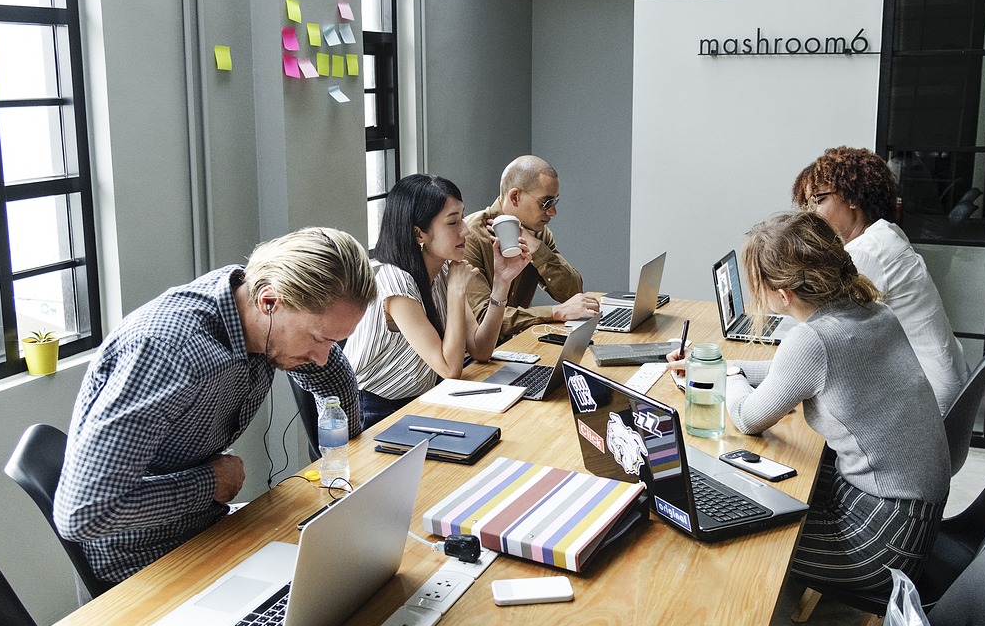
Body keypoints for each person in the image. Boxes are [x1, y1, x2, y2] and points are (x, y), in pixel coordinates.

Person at [55, 227, 377, 591]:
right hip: (143, 562)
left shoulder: (254, 305)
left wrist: (344, 452)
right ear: (269, 302)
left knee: (352, 581)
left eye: (334, 340)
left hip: (209, 526)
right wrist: (210, 482)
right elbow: (83, 515)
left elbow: (331, 375)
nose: (321, 358)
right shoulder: (167, 354)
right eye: (319, 339)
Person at [673, 212, 950, 595]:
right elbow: (791, 373)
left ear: (783, 294)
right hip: (916, 516)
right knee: (749, 487)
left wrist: (728, 376)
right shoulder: (874, 313)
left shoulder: (812, 342)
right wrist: (723, 366)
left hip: (884, 542)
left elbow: (747, 417)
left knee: (721, 532)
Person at [344, 174, 532, 429]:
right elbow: (449, 369)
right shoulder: (395, 283)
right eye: (453, 222)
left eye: (462, 217)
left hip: (422, 398)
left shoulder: (445, 270)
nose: (465, 229)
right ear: (418, 233)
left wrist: (502, 282)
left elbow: (480, 349)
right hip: (375, 410)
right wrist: (455, 291)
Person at [793, 146, 968, 414]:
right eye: (808, 204)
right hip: (942, 384)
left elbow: (823, 333)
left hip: (929, 401)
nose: (812, 214)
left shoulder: (868, 251)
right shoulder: (886, 233)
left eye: (819, 200)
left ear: (852, 197)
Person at [463, 155, 600, 338]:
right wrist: (554, 312)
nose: (553, 212)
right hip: (472, 359)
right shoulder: (469, 236)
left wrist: (537, 249)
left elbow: (573, 293)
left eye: (555, 202)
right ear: (515, 197)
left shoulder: (538, 234)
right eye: (546, 203)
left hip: (512, 347)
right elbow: (483, 318)